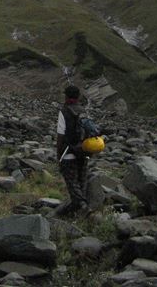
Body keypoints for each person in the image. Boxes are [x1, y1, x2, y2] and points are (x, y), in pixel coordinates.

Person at [56, 85, 89, 216]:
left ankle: (82, 207)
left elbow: (60, 136)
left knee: (72, 184)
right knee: (81, 183)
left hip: (68, 153)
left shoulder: (64, 112)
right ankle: (79, 211)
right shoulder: (84, 111)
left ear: (66, 96)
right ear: (78, 97)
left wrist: (59, 155)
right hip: (83, 152)